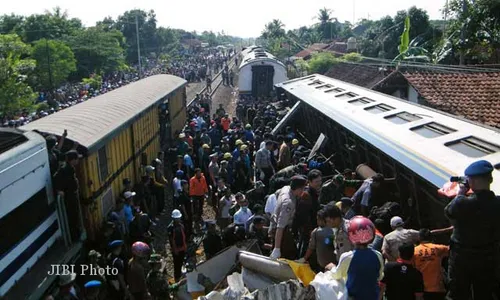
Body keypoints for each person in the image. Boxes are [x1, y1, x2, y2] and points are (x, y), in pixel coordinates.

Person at [444, 160, 500, 300]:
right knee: (485, 292)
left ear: (471, 182)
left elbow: (449, 211)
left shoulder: (463, 203)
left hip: (461, 257)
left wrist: (461, 192)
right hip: (488, 256)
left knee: (457, 292)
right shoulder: (497, 203)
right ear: (491, 179)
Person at [331, 216, 384, 300]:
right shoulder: (378, 255)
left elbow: (336, 275)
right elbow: (380, 276)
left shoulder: (347, 257)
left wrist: (332, 268)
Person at [269, 175, 308, 260]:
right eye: (302, 189)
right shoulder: (288, 203)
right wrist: (277, 248)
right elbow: (280, 226)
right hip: (281, 231)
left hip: (278, 223)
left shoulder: (286, 188)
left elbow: (277, 193)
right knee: (288, 255)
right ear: (298, 188)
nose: (303, 191)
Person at [413, 229, 449, 300]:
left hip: (420, 288)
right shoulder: (438, 248)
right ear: (431, 237)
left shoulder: (414, 251)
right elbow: (453, 249)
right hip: (437, 287)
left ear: (419, 238)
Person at [168, 209, 187, 282]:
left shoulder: (181, 225)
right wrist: (174, 249)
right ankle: (177, 279)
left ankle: (181, 277)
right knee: (177, 265)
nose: (178, 219)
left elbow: (184, 236)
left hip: (182, 247)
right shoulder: (170, 228)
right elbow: (171, 240)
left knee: (182, 262)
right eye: (176, 218)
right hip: (176, 249)